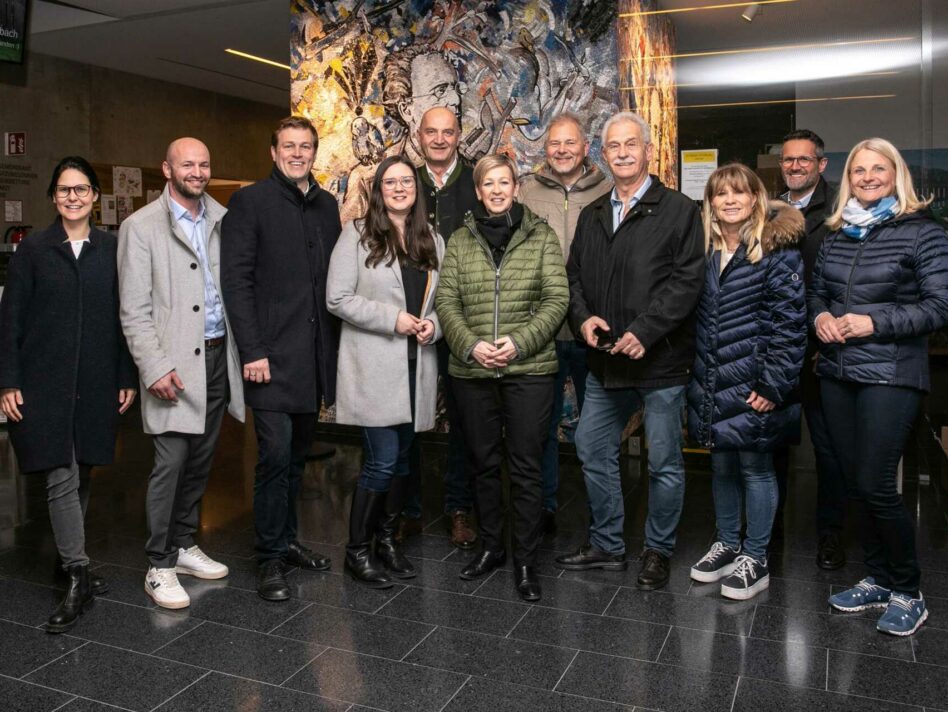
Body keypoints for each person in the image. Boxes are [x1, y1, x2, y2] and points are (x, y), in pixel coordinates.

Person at [554, 111, 705, 591]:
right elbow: (574, 276)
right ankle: (608, 544)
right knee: (591, 446)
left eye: (630, 145)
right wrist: (582, 319)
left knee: (663, 462)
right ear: (604, 153)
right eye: (613, 146)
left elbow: (687, 282)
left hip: (661, 362)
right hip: (607, 361)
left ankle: (657, 551)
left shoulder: (680, 210)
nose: (621, 153)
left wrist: (647, 330)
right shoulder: (595, 212)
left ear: (647, 150)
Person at [810, 137, 948, 636]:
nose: (867, 177)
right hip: (838, 372)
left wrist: (873, 322)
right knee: (854, 484)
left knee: (875, 483)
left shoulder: (922, 234)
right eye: (859, 170)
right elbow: (817, 292)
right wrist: (821, 316)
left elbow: (939, 307)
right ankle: (879, 577)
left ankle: (909, 590)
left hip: (891, 374)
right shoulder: (838, 233)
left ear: (896, 176)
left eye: (878, 169)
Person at [0, 156, 137, 632]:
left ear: (95, 196)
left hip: (98, 381)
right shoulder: (33, 251)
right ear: (54, 197)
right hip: (44, 383)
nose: (72, 197)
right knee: (60, 471)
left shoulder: (113, 249)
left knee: (82, 472)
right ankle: (78, 573)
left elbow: (126, 320)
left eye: (81, 189)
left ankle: (67, 559)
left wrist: (126, 376)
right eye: (64, 190)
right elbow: (11, 321)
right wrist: (8, 381)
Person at [119, 138, 245, 609]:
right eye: (187, 163)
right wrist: (154, 366)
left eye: (204, 163)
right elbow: (133, 309)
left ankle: (185, 543)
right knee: (170, 462)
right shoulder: (140, 227)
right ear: (166, 168)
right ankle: (159, 563)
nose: (197, 171)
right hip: (171, 364)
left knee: (201, 459)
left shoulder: (223, 220)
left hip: (215, 356)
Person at [437, 153, 568, 602]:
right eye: (487, 183)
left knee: (527, 468)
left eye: (504, 182)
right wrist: (471, 345)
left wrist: (518, 343)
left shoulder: (542, 236)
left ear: (516, 188)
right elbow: (446, 302)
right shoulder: (459, 240)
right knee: (484, 463)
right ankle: (493, 547)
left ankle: (526, 560)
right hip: (472, 370)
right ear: (478, 191)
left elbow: (556, 299)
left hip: (528, 369)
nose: (496, 190)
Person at [221, 116, 341, 601]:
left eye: (306, 146)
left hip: (312, 359)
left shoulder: (327, 205)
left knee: (296, 459)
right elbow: (237, 282)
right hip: (269, 358)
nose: (297, 153)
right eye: (288, 146)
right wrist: (253, 350)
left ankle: (288, 540)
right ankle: (269, 557)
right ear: (273, 152)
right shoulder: (249, 203)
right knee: (272, 457)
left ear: (315, 152)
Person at [687, 163, 806, 600]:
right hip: (712, 382)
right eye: (721, 194)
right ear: (711, 203)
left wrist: (774, 386)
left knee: (756, 469)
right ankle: (727, 543)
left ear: (756, 198)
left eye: (739, 193)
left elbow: (791, 327)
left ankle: (755, 558)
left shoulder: (776, 253)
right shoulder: (703, 252)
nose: (730, 201)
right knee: (721, 465)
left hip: (756, 386)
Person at [327, 155, 443, 588]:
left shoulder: (431, 239)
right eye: (390, 182)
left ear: (416, 190)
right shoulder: (357, 235)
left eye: (406, 181)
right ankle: (357, 551)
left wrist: (437, 326)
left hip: (417, 367)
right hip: (375, 366)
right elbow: (336, 298)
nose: (398, 188)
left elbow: (443, 301)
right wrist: (391, 318)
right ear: (378, 190)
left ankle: (387, 541)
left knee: (402, 465)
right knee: (381, 461)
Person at [519, 111, 611, 534]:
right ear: (545, 148)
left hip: (593, 326)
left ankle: (601, 515)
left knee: (597, 428)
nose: (561, 150)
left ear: (586, 147)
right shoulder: (525, 191)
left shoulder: (608, 189)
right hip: (542, 329)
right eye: (554, 143)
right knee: (541, 425)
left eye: (569, 143)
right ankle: (545, 508)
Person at [400, 106, 481, 550]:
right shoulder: (403, 180)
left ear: (458, 136)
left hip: (464, 320)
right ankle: (408, 509)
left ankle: (459, 507)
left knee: (464, 421)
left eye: (447, 132)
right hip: (411, 322)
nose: (439, 139)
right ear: (419, 135)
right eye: (431, 132)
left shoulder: (475, 183)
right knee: (407, 417)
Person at [778, 129, 847, 570]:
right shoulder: (770, 209)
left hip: (825, 346)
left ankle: (831, 536)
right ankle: (767, 536)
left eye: (805, 160)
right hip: (782, 345)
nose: (796, 166)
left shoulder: (841, 210)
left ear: (821, 164)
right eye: (789, 160)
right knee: (775, 443)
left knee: (828, 449)